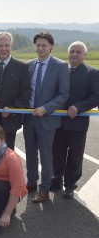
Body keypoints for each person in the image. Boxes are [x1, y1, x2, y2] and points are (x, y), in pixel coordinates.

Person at [23, 31, 69, 203]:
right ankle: (32, 182)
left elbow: (63, 94)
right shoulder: (29, 65)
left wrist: (46, 108)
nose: (40, 48)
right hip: (29, 118)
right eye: (38, 45)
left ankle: (45, 188)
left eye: (44, 45)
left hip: (47, 119)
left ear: (51, 47)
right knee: (30, 153)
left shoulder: (60, 66)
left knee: (46, 155)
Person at [51, 41, 99, 199]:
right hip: (58, 122)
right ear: (68, 53)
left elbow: (95, 97)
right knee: (56, 153)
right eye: (72, 51)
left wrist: (78, 106)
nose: (74, 54)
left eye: (79, 52)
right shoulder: (61, 70)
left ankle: (70, 185)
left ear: (85, 55)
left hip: (77, 123)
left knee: (75, 156)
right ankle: (56, 179)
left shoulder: (92, 73)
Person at [0, 32, 31, 150]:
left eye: (7, 45)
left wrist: (12, 108)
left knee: (7, 155)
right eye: (0, 45)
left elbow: (25, 94)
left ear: (12, 46)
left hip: (9, 122)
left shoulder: (22, 67)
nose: (3, 49)